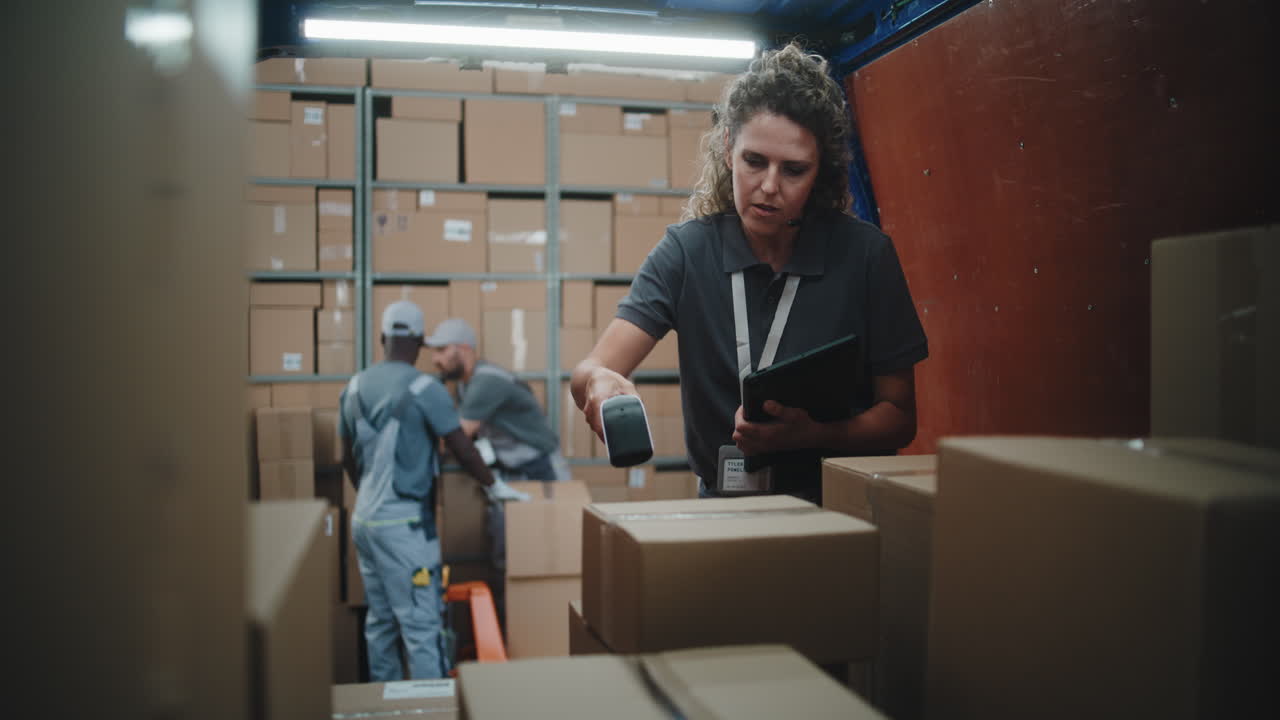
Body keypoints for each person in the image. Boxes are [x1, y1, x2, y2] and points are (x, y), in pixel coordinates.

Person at [571, 43, 929, 503]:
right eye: (754, 161)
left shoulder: (866, 256)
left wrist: (814, 434)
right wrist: (600, 382)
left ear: (820, 172)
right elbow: (592, 368)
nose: (769, 187)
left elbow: (899, 416)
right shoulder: (687, 252)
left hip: (838, 506)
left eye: (794, 170)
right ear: (727, 150)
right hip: (724, 505)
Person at [340, 300, 527, 681]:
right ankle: (431, 709)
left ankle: (385, 705)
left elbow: (347, 457)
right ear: (420, 343)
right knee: (422, 625)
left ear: (382, 338)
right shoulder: (425, 388)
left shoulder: (355, 385)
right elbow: (461, 446)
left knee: (380, 621)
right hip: (406, 527)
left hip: (364, 523)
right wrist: (494, 487)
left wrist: (370, 497)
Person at [427, 317, 569, 483]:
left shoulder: (486, 381)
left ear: (464, 348)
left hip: (541, 465)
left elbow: (457, 437)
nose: (435, 360)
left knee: (553, 509)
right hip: (512, 465)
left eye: (442, 349)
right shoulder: (464, 384)